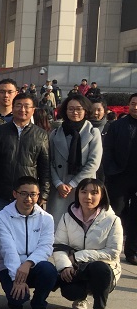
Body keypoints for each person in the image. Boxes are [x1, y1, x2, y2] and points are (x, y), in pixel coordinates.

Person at [0, 93, 50, 282]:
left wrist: (44, 193)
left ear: (33, 110)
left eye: (27, 106)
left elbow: (45, 166)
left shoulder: (41, 134)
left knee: (23, 231)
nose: (23, 109)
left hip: (27, 194)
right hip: (0, 188)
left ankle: (21, 266)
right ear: (12, 108)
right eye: (19, 105)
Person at [53, 179, 122, 309]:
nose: (88, 197)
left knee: (100, 268)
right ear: (77, 194)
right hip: (76, 268)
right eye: (83, 192)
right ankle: (81, 297)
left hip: (103, 270)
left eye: (94, 193)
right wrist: (65, 267)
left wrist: (78, 256)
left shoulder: (112, 220)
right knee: (70, 292)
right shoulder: (67, 217)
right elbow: (59, 246)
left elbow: (113, 252)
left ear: (102, 196)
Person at [0, 175, 57, 309]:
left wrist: (28, 264)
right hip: (9, 266)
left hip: (34, 265)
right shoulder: (1, 217)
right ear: (15, 194)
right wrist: (17, 278)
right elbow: (7, 249)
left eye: (33, 194)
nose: (28, 198)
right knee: (18, 299)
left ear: (38, 195)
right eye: (23, 194)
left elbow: (46, 247)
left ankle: (39, 304)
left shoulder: (47, 218)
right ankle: (15, 297)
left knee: (49, 270)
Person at [47, 95, 102, 224]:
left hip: (84, 187)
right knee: (58, 225)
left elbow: (93, 163)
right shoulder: (55, 133)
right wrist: (58, 183)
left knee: (82, 225)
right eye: (70, 109)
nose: (75, 112)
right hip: (60, 188)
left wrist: (72, 184)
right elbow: (49, 161)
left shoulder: (93, 133)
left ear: (85, 110)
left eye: (79, 109)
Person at [102, 92, 137, 265]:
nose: (135, 107)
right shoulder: (117, 126)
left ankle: (132, 251)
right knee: (114, 213)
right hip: (119, 177)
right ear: (128, 105)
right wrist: (111, 171)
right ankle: (108, 247)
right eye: (133, 103)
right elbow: (107, 150)